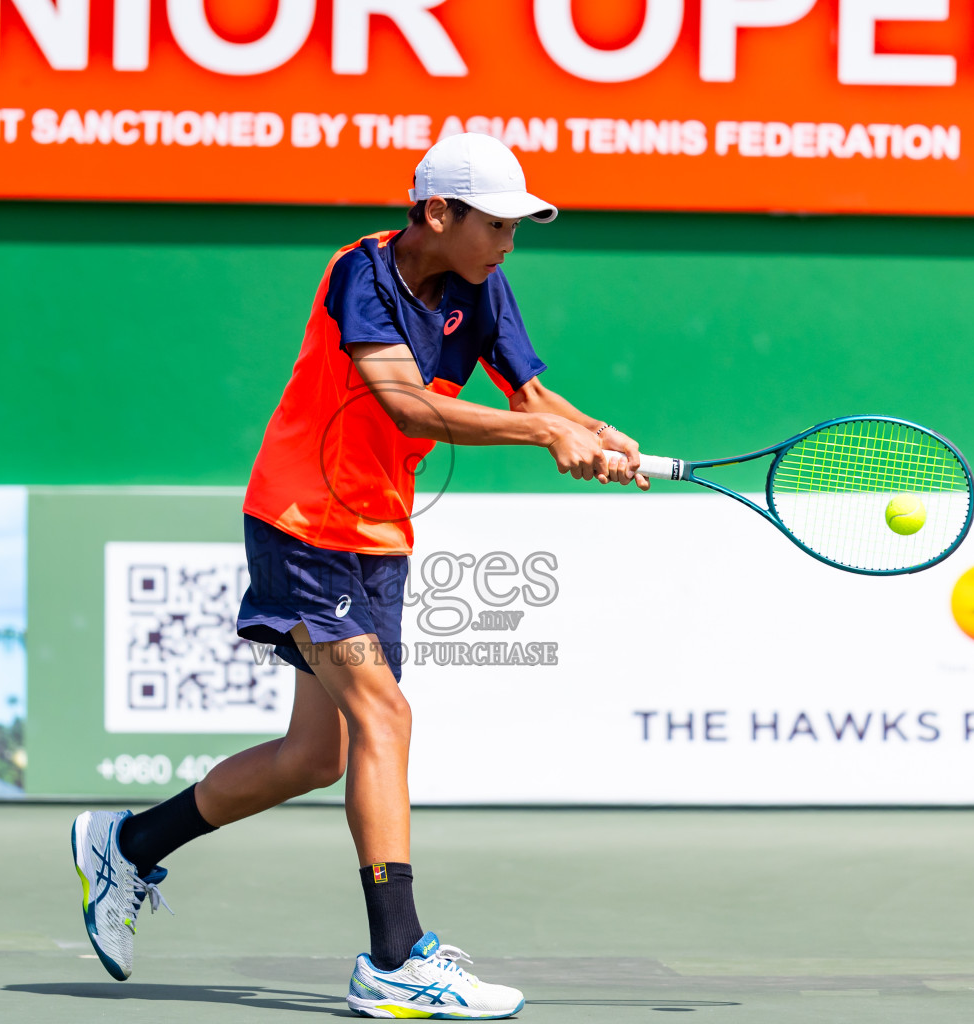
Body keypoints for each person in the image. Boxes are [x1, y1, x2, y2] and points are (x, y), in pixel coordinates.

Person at [71, 132, 646, 1020]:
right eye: (494, 224)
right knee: (386, 714)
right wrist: (546, 438)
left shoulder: (483, 287)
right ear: (438, 213)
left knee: (317, 754)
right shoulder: (361, 275)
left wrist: (597, 434)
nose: (507, 243)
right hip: (303, 524)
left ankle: (129, 842)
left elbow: (531, 397)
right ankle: (395, 957)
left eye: (516, 228)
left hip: (378, 532)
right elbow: (409, 402)